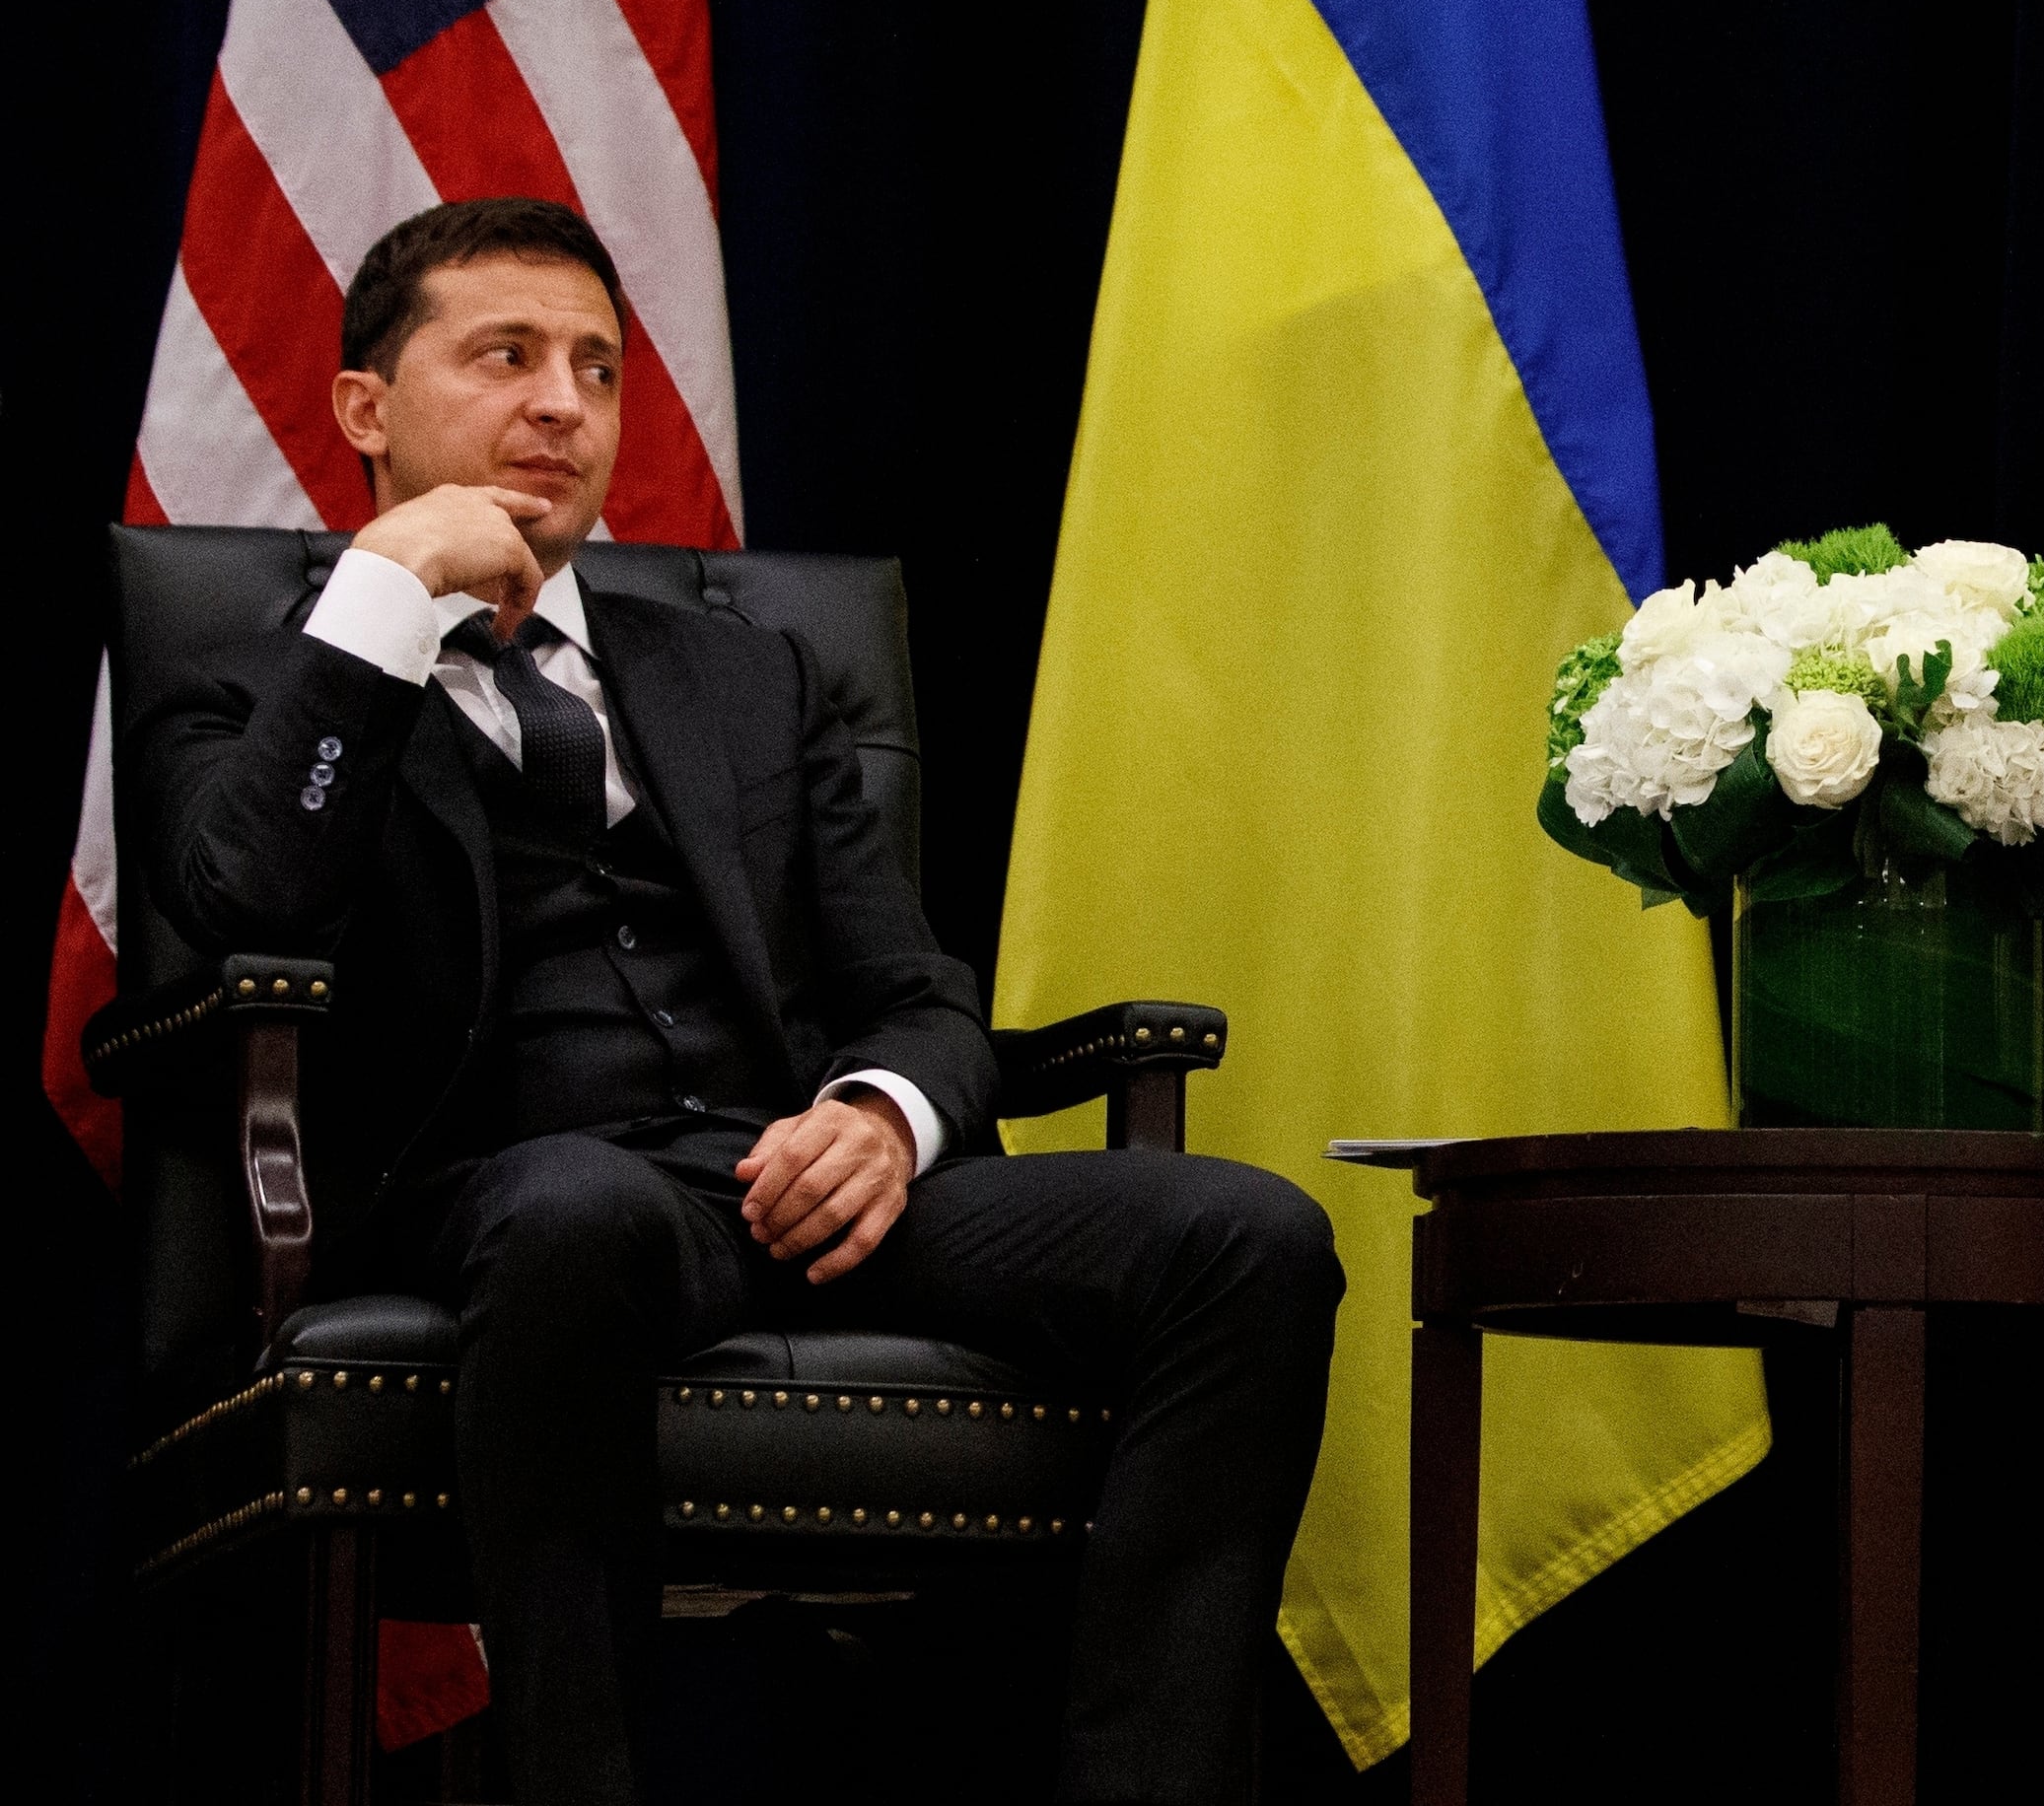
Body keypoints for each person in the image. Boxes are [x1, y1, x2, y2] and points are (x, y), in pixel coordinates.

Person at [134, 197, 1343, 1805]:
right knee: (577, 1212)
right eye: (504, 356)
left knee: (1246, 1240)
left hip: (794, 1183)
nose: (563, 405)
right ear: (365, 409)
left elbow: (913, 994)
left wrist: (884, 1116)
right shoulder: (271, 681)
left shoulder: (743, 674)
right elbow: (249, 903)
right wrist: (389, 586)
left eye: (599, 369)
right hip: (511, 1196)